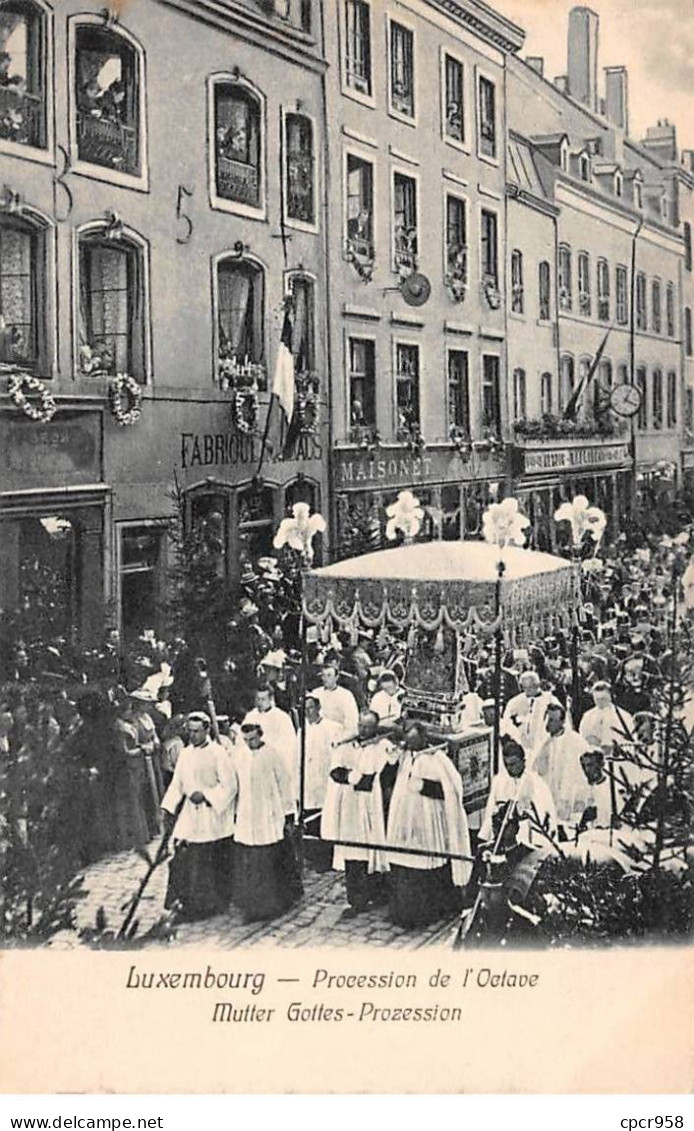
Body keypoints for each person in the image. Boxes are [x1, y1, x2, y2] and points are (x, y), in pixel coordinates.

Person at [386, 723, 471, 928]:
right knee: (403, 862)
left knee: (426, 864)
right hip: (404, 820)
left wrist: (423, 785)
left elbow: (452, 789)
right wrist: (391, 762)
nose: (410, 746)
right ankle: (402, 912)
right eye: (408, 742)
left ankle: (428, 913)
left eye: (414, 742)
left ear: (424, 740)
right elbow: (388, 780)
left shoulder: (438, 759)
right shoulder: (405, 755)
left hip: (427, 821)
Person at [161, 712, 236, 922]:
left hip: (211, 815)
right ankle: (183, 902)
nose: (192, 736)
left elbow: (230, 786)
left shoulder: (218, 753)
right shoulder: (185, 753)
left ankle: (210, 904)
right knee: (182, 858)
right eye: (190, 731)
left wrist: (206, 795)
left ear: (207, 730)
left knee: (207, 860)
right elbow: (177, 783)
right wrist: (168, 806)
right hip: (189, 815)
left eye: (196, 732)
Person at [321, 709, 393, 918]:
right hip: (351, 806)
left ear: (375, 728)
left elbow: (382, 775)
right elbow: (335, 771)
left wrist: (365, 777)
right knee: (353, 851)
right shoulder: (347, 746)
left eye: (368, 727)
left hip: (371, 805)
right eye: (360, 725)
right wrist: (350, 776)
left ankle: (377, 895)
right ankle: (356, 900)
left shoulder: (382, 747)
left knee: (372, 850)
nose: (362, 730)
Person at [230, 722, 302, 923]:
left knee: (269, 860)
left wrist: (289, 814)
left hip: (268, 814)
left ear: (260, 735)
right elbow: (234, 785)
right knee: (250, 862)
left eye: (253, 739)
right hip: (247, 815)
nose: (250, 743)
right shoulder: (239, 756)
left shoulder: (272, 754)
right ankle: (252, 905)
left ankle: (275, 904)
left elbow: (284, 784)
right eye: (246, 740)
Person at [480, 737, 557, 850]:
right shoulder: (499, 781)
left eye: (513, 764)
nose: (509, 769)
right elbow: (491, 811)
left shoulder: (535, 783)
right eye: (506, 765)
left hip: (526, 839)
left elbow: (540, 815)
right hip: (503, 840)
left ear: (523, 761)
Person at [532, 701, 591, 831]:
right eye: (547, 720)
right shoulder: (544, 742)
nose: (548, 724)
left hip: (569, 797)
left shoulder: (576, 742)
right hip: (549, 796)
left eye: (552, 720)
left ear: (562, 721)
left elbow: (582, 776)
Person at [300, 695, 341, 863]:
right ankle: (313, 856)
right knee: (310, 816)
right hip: (309, 780)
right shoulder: (302, 730)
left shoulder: (333, 727)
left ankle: (327, 856)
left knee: (327, 815)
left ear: (318, 708)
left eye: (310, 708)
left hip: (325, 779)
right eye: (305, 708)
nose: (308, 712)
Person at [242, 685, 298, 804]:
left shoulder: (281, 718)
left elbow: (289, 745)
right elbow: (241, 741)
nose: (259, 703)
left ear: (271, 699)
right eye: (257, 699)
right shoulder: (250, 717)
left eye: (263, 699)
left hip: (273, 766)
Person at [502, 670, 555, 757]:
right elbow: (506, 723)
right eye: (524, 687)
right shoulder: (514, 702)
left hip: (544, 746)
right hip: (521, 747)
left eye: (531, 687)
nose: (527, 691)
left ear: (538, 685)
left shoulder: (550, 700)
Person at [579, 681, 635, 753]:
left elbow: (629, 738)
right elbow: (583, 736)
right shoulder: (587, 716)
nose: (600, 702)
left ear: (610, 696)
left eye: (603, 699)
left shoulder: (623, 715)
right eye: (597, 699)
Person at [310, 660, 359, 739]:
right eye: (323, 675)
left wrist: (340, 739)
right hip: (318, 735)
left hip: (338, 735)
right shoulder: (315, 693)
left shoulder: (346, 695)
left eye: (329, 675)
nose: (325, 679)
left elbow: (352, 723)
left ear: (336, 677)